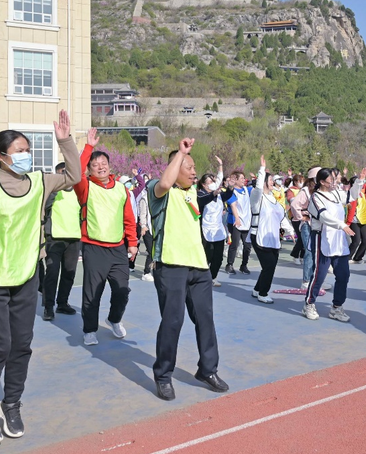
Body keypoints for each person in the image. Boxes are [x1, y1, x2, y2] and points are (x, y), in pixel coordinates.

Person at [0, 110, 80, 446]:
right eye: (19, 150)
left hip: (26, 277)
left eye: (29, 149)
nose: (26, 155)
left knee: (21, 346)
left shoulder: (41, 181)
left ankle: (10, 404)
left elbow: (74, 174)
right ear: (0, 156)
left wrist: (64, 141)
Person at [148, 138, 228, 401]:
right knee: (173, 322)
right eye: (188, 166)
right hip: (171, 266)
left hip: (199, 267)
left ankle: (207, 370)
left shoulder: (193, 193)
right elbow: (164, 183)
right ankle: (163, 375)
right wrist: (180, 154)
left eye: (194, 167)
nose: (194, 172)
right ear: (174, 167)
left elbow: (217, 190)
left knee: (205, 320)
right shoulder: (158, 191)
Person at [74, 129, 138, 346]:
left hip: (118, 249)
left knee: (122, 291)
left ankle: (114, 319)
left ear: (110, 166)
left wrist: (133, 243)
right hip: (94, 248)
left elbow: (129, 219)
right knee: (93, 293)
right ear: (90, 169)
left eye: (104, 163)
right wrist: (88, 147)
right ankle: (90, 329)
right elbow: (75, 171)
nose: (100, 167)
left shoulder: (121, 189)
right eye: (95, 164)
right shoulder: (85, 187)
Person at [303, 168, 366, 321]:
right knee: (319, 275)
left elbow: (351, 196)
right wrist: (341, 225)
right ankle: (309, 304)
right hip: (322, 239)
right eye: (331, 179)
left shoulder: (337, 193)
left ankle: (337, 307)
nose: (334, 181)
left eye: (334, 178)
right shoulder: (316, 198)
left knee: (343, 275)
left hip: (339, 240)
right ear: (322, 182)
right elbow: (323, 215)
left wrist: (359, 181)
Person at [41, 162, 81, 321]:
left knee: (69, 274)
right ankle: (48, 307)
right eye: (60, 174)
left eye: (66, 172)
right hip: (54, 239)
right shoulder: (52, 192)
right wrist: (53, 190)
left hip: (73, 239)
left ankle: (63, 303)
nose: (63, 176)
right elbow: (43, 207)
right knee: (52, 274)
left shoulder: (78, 192)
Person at [247, 156, 286, 304]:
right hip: (259, 236)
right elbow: (258, 188)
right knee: (269, 265)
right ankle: (263, 293)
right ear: (263, 182)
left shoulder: (274, 199)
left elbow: (281, 216)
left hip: (273, 238)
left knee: (269, 266)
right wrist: (262, 169)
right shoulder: (256, 197)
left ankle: (257, 289)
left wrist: (289, 230)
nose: (273, 182)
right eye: (270, 180)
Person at [197, 157, 233, 286]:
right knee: (207, 255)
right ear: (203, 184)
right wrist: (213, 194)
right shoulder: (201, 194)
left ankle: (213, 277)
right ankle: (202, 277)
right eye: (210, 182)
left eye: (214, 181)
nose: (213, 183)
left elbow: (227, 195)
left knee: (218, 257)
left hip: (218, 229)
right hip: (205, 230)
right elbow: (203, 201)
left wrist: (230, 187)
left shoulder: (218, 194)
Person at [225, 171, 252, 275]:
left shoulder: (246, 189)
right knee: (235, 244)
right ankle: (229, 265)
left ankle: (244, 265)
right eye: (241, 178)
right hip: (235, 221)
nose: (243, 180)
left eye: (244, 178)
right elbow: (233, 205)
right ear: (235, 180)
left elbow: (257, 189)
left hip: (246, 221)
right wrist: (237, 219)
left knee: (247, 245)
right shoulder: (231, 192)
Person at [346, 176, 366, 264]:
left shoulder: (363, 194)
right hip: (354, 220)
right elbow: (350, 209)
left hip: (363, 220)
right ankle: (348, 257)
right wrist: (348, 223)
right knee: (356, 241)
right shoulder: (351, 194)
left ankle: (358, 257)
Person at [287, 175, 306, 263]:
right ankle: (295, 255)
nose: (301, 183)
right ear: (295, 182)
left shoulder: (304, 190)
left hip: (304, 216)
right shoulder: (291, 190)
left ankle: (302, 255)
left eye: (302, 181)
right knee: (301, 237)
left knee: (305, 237)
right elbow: (292, 201)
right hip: (295, 217)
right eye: (300, 181)